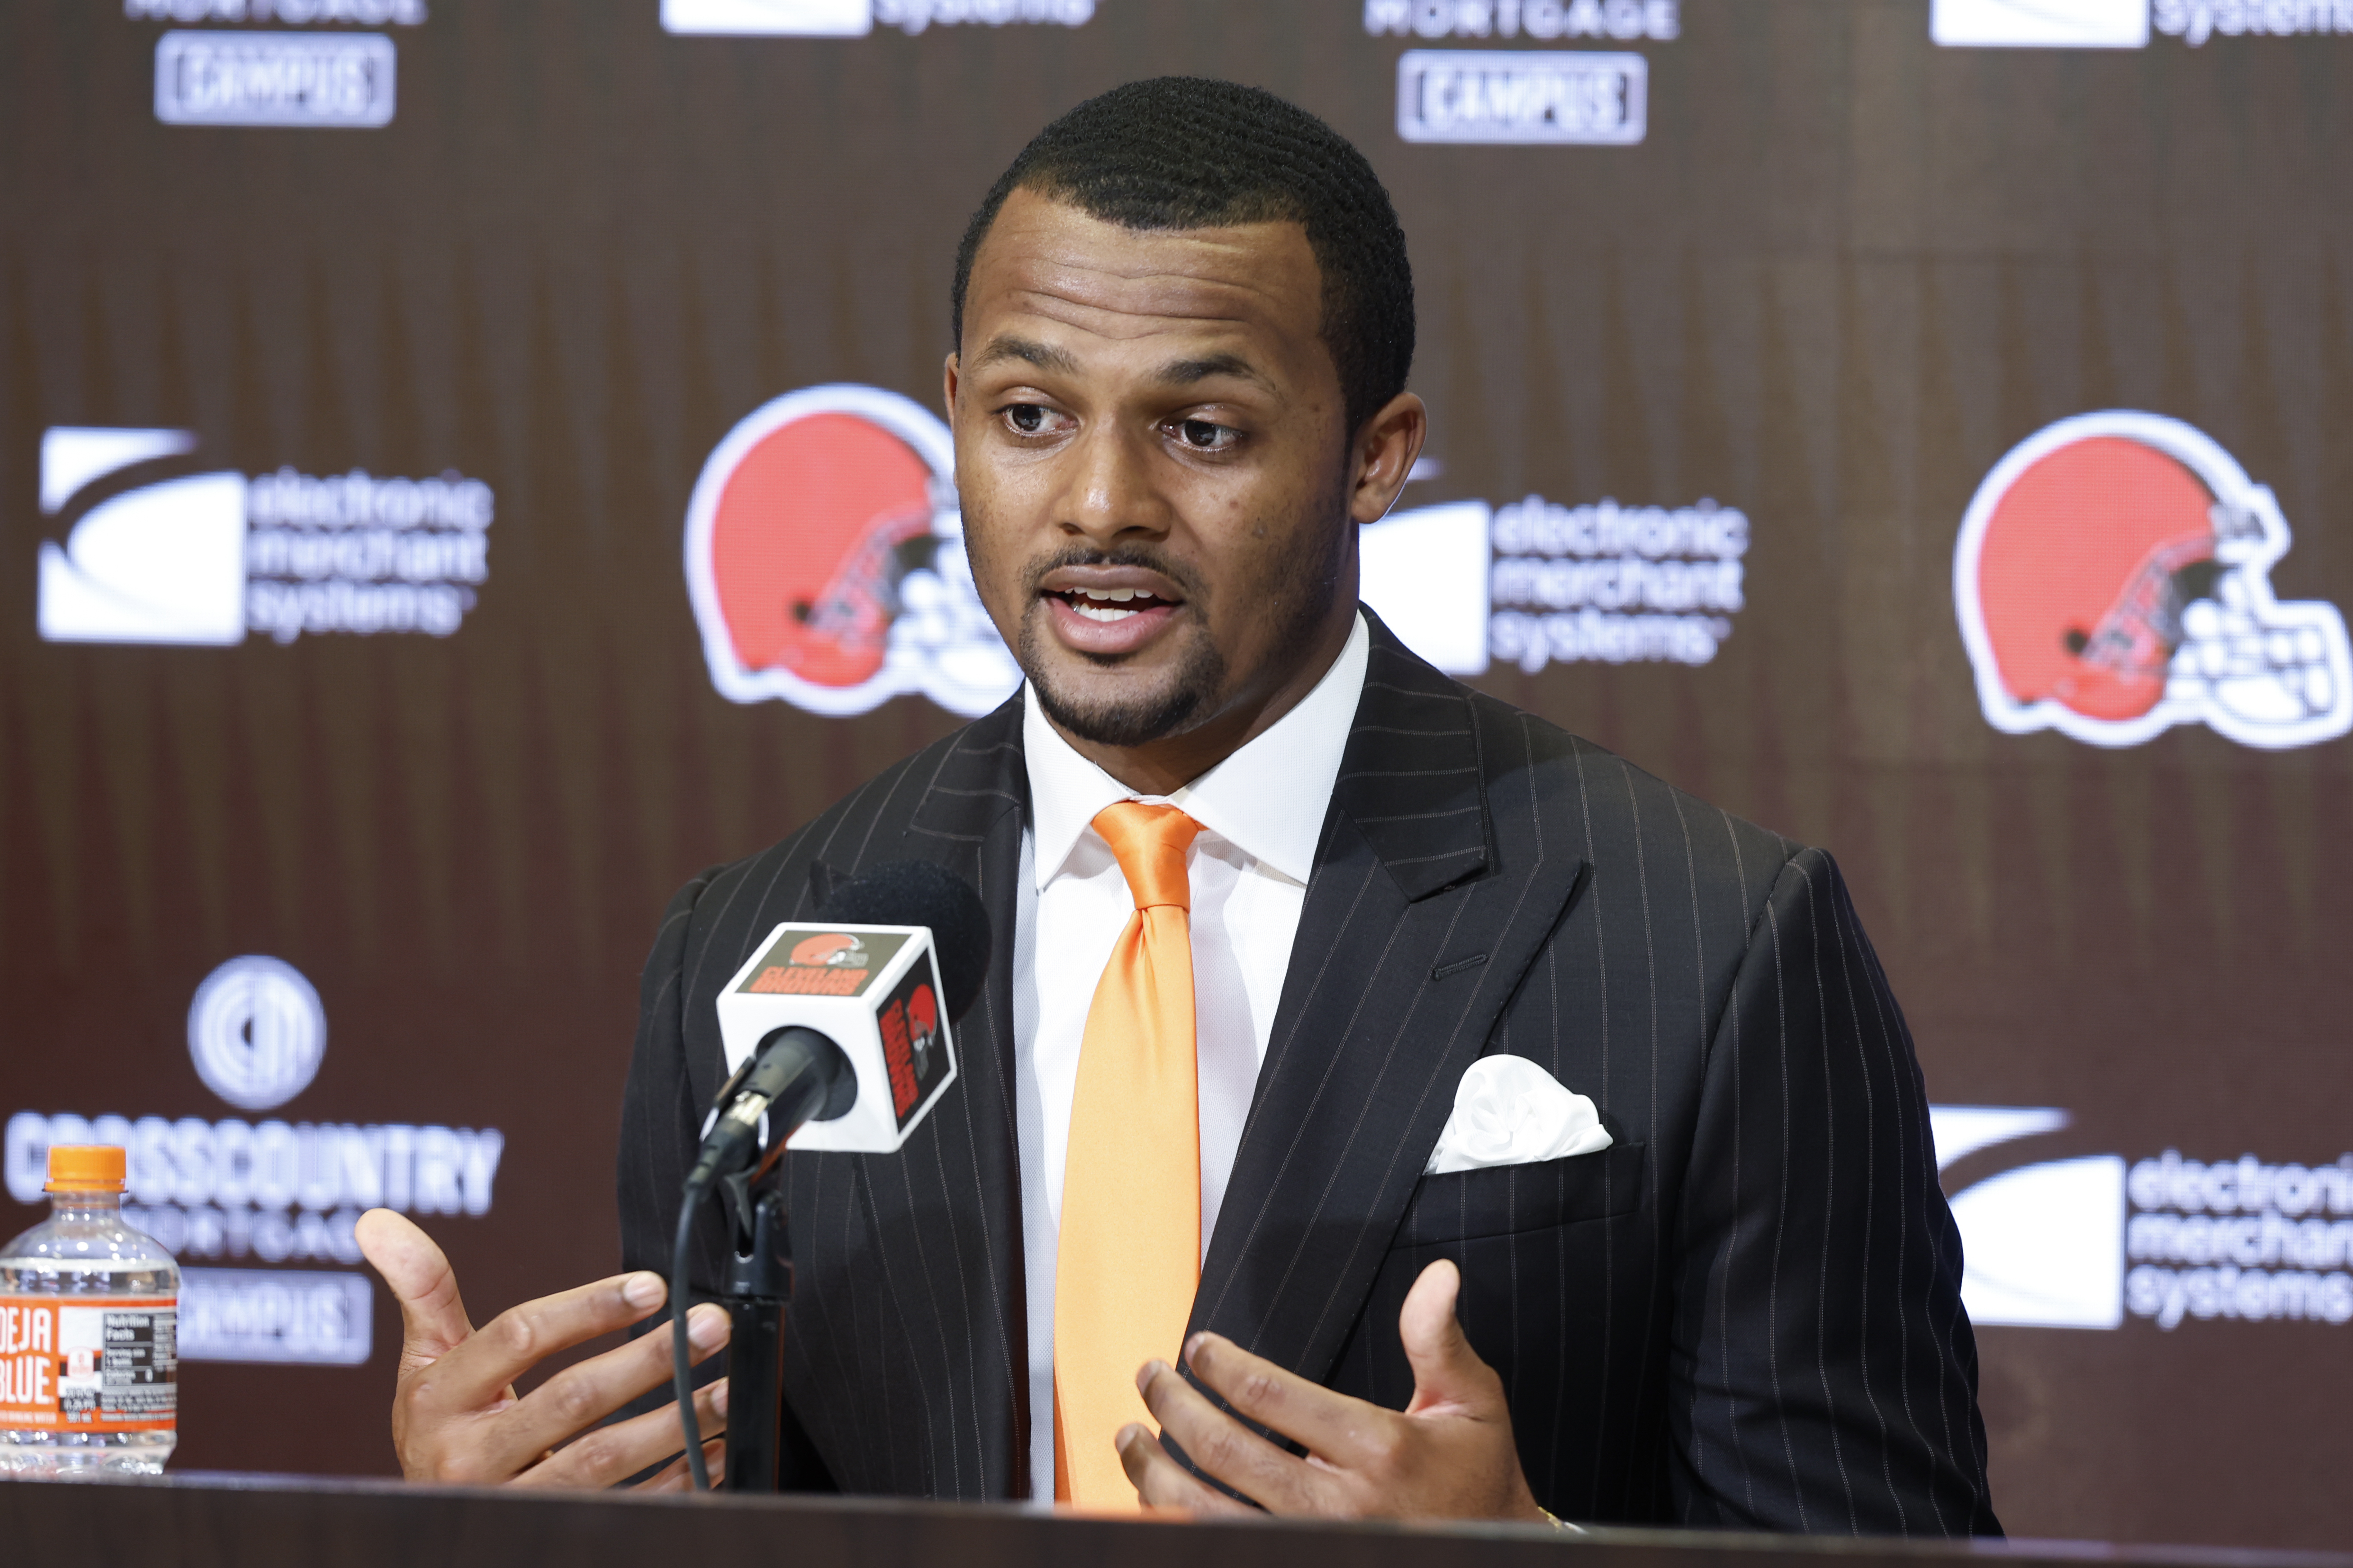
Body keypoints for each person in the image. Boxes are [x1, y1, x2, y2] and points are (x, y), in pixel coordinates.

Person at [357, 77, 1999, 1532]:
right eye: (1027, 418)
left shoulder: (1710, 938)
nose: (1097, 505)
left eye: (1201, 430)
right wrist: (516, 1528)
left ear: (1375, 454)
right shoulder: (761, 945)